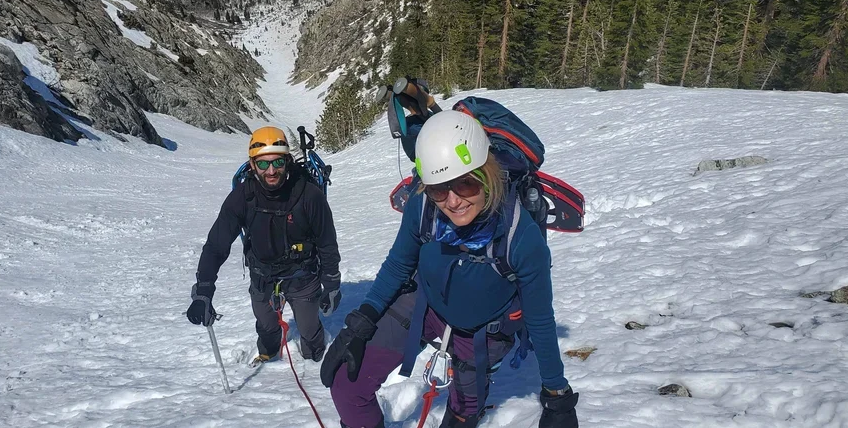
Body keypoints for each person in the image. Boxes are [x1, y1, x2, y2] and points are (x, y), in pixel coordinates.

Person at [320, 110, 579, 428]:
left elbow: (539, 318)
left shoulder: (520, 237)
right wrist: (364, 318)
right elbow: (400, 264)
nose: (453, 201)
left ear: (487, 173)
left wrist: (556, 393)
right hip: (424, 306)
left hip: (483, 331)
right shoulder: (423, 206)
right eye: (439, 189)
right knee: (347, 384)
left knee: (462, 414)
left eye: (466, 184)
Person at [187, 126, 342, 365]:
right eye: (263, 164)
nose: (271, 171)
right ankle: (269, 355)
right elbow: (217, 245)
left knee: (309, 331)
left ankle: (314, 355)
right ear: (252, 165)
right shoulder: (242, 197)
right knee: (266, 325)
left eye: (278, 162)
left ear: (287, 161)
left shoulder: (309, 196)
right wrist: (204, 290)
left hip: (302, 277)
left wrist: (331, 283)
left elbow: (327, 243)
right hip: (262, 276)